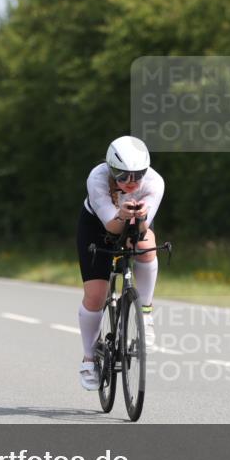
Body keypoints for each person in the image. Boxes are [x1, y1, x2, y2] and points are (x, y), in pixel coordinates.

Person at [76, 136, 165, 391]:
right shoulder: (97, 178)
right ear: (110, 168)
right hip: (98, 225)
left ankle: (145, 313)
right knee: (95, 296)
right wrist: (122, 215)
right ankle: (89, 358)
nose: (130, 182)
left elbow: (143, 228)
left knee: (146, 245)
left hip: (137, 221)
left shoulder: (155, 182)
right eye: (122, 175)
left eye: (137, 175)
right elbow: (112, 226)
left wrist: (137, 217)